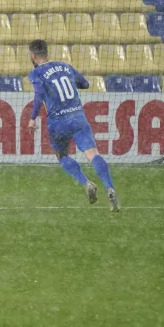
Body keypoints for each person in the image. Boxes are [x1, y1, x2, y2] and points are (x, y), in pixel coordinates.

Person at [26, 39, 119, 212]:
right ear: (47, 52)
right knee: (93, 154)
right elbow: (85, 83)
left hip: (57, 122)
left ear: (32, 55)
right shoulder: (65, 66)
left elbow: (39, 94)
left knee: (61, 155)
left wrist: (32, 118)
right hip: (78, 117)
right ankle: (109, 186)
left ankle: (86, 182)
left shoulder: (36, 73)